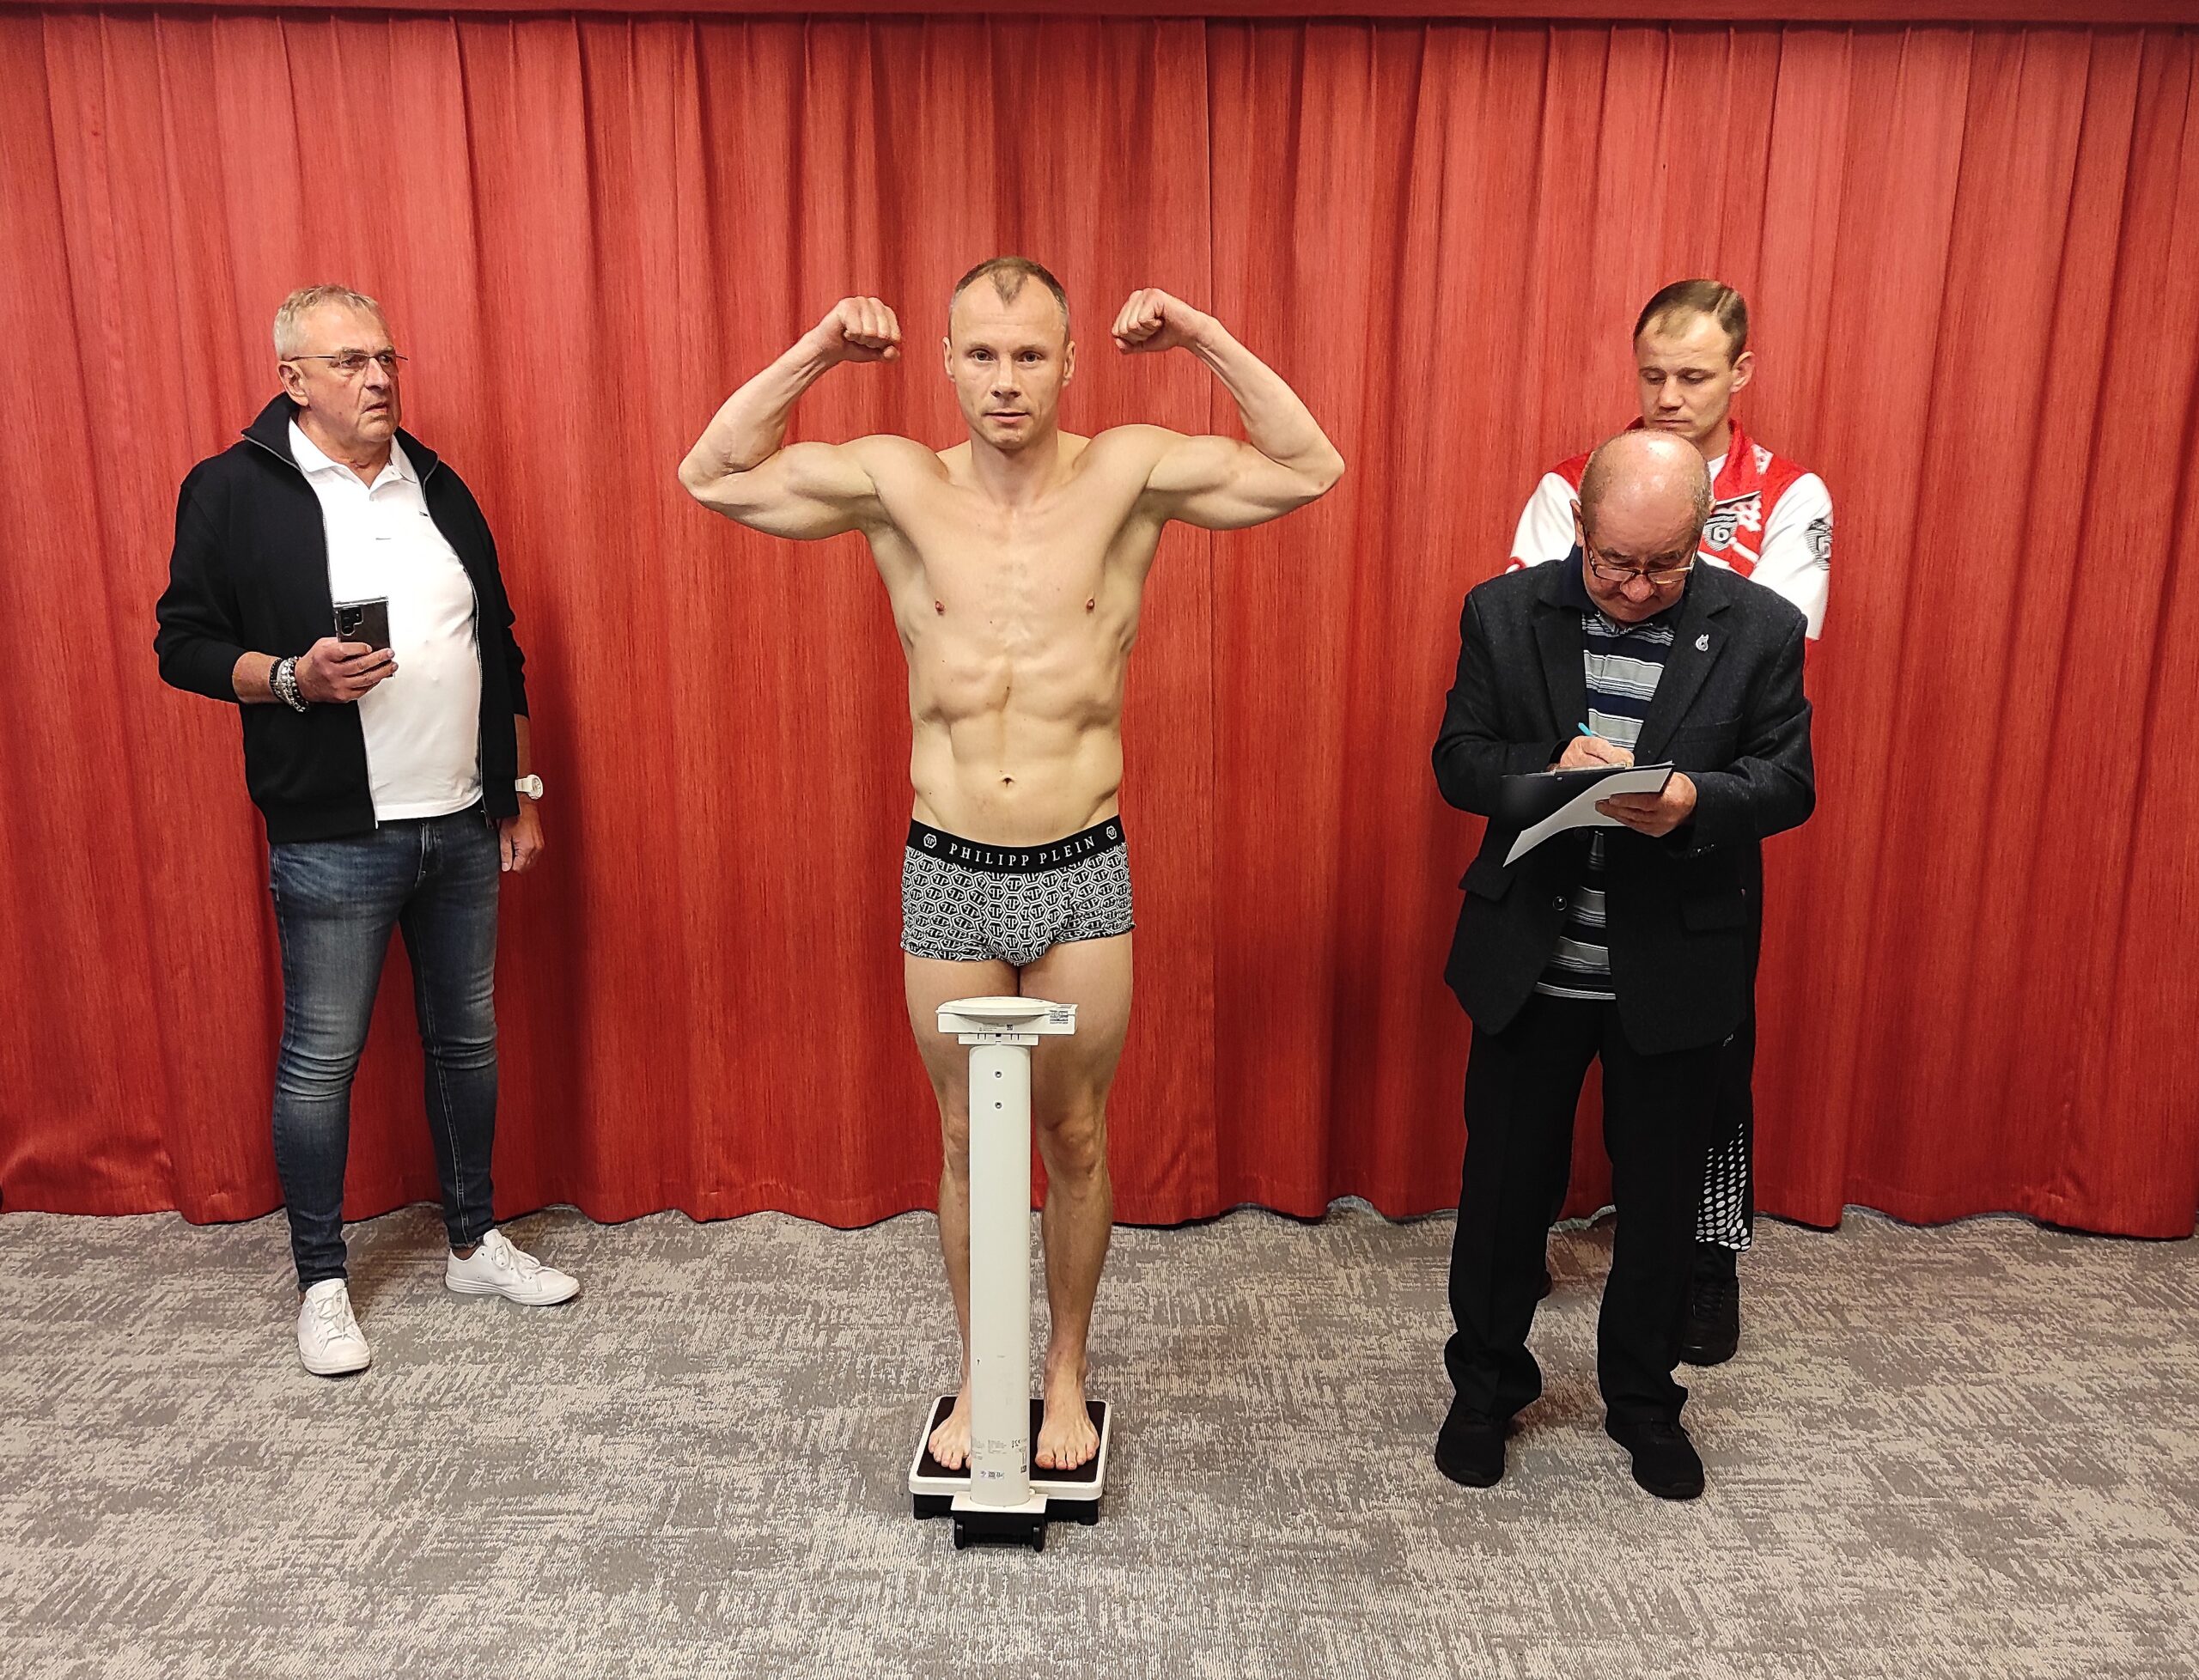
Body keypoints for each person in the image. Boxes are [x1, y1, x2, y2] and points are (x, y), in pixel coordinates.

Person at [678, 258, 1343, 1470]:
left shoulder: (1128, 473)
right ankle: (985, 1372)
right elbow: (711, 472)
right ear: (944, 362)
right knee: (965, 1140)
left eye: (1030, 354)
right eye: (981, 354)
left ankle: (1065, 1370)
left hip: (1082, 865)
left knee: (1074, 1134)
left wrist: (1200, 333)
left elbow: (1307, 465)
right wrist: (820, 348)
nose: (1005, 380)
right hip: (949, 865)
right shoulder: (896, 483)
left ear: (1070, 362)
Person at [155, 284, 578, 1379]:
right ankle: (321, 1282)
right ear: (292, 379)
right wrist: (292, 677)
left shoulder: (435, 481)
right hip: (334, 834)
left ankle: (474, 1243)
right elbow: (181, 645)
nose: (379, 378)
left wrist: (518, 788)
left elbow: (499, 645)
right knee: (321, 1059)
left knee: (467, 1042)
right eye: (349, 362)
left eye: (386, 357)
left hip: (460, 820)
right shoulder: (232, 489)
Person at [1431, 429, 1813, 1499]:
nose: (1638, 587)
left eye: (1664, 565)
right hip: (1531, 960)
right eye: (1614, 563)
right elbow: (1459, 761)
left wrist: (1697, 800)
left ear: (1700, 538)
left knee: (1658, 1204)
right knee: (1503, 1197)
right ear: (1579, 527)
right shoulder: (1501, 612)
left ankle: (1644, 1401)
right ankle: (1485, 1389)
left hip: (1676, 965)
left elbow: (1787, 782)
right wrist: (1547, 768)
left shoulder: (1761, 627)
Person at [1508, 279, 1833, 1365]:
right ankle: (1518, 1246)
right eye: (1651, 374)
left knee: (1712, 1058)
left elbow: (1767, 636)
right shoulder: (1572, 482)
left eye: (1692, 375)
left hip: (1705, 817)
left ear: (1740, 374)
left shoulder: (1787, 493)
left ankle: (1706, 1261)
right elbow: (1536, 631)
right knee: (1535, 1049)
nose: (1668, 395)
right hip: (1573, 805)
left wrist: (1686, 789)